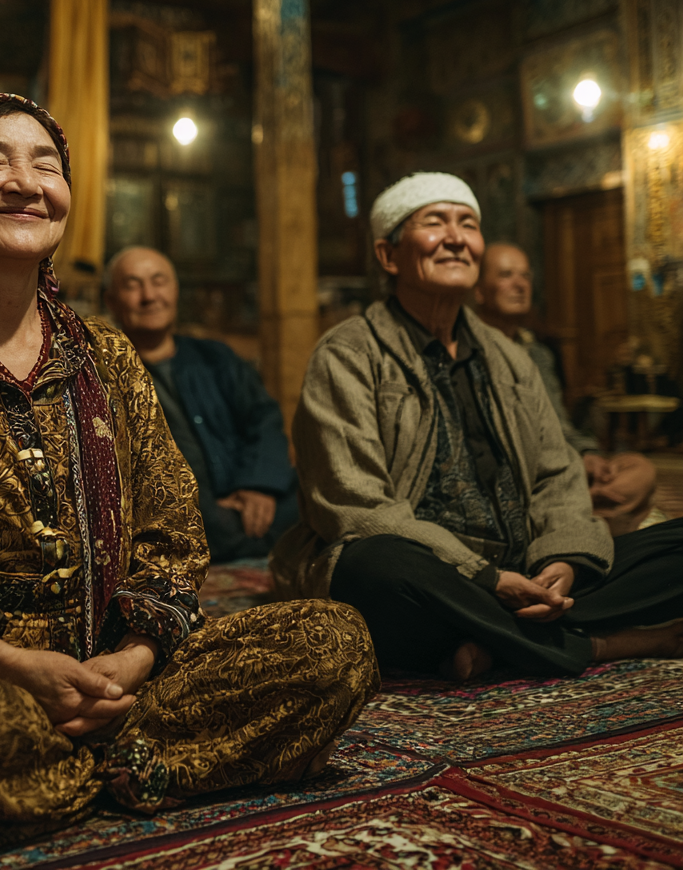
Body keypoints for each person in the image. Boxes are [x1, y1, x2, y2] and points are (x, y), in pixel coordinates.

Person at [0, 94, 378, 864]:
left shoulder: (105, 356)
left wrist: (135, 656)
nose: (26, 182)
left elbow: (174, 529)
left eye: (46, 164)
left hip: (116, 673)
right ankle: (137, 770)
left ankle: (29, 789)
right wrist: (6, 661)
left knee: (332, 640)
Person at [271, 171, 683, 681]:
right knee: (373, 569)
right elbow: (356, 508)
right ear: (388, 255)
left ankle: (489, 639)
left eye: (467, 224)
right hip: (432, 571)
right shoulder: (348, 354)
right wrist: (487, 580)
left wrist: (565, 562)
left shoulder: (509, 357)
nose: (455, 238)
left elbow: (557, 473)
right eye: (434, 222)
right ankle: (600, 643)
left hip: (524, 562)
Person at [103, 247, 297, 561]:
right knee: (179, 522)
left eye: (159, 281)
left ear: (175, 291)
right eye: (132, 285)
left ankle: (240, 539)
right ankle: (261, 542)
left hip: (246, 490)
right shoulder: (105, 374)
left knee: (312, 494)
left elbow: (263, 417)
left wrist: (258, 485)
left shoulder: (215, 357)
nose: (149, 295)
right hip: (187, 509)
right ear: (111, 301)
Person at [475, 242, 659, 537]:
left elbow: (560, 426)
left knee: (638, 469)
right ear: (479, 289)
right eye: (506, 275)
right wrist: (571, 465)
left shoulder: (538, 353)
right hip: (523, 475)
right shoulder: (469, 351)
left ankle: (580, 523)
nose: (519, 284)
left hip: (565, 466)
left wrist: (587, 453)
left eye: (525, 276)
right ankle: (589, 525)